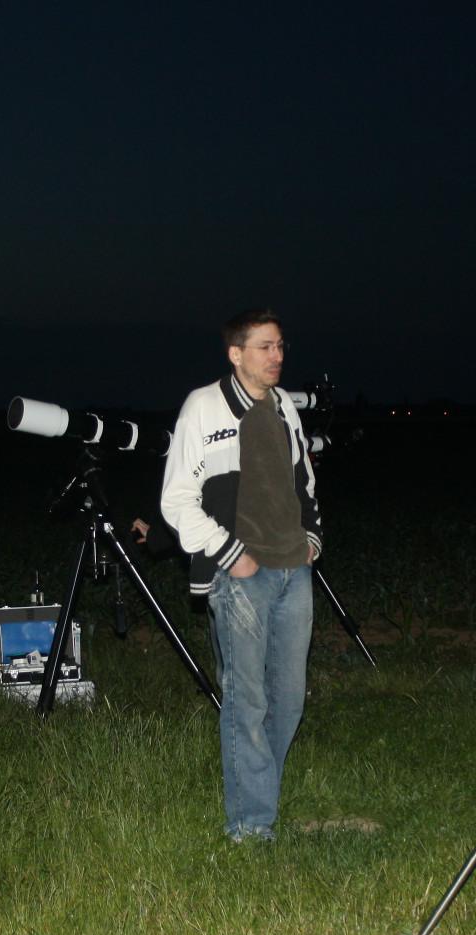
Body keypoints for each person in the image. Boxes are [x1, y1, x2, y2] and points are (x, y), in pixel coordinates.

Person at [161, 309, 322, 842]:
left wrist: (311, 539)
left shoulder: (283, 407)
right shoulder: (203, 407)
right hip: (240, 576)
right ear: (236, 354)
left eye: (280, 346)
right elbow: (176, 501)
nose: (277, 357)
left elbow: (304, 481)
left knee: (289, 699)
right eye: (265, 347)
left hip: (292, 571)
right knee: (247, 699)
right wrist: (231, 554)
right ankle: (251, 823)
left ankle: (259, 792)